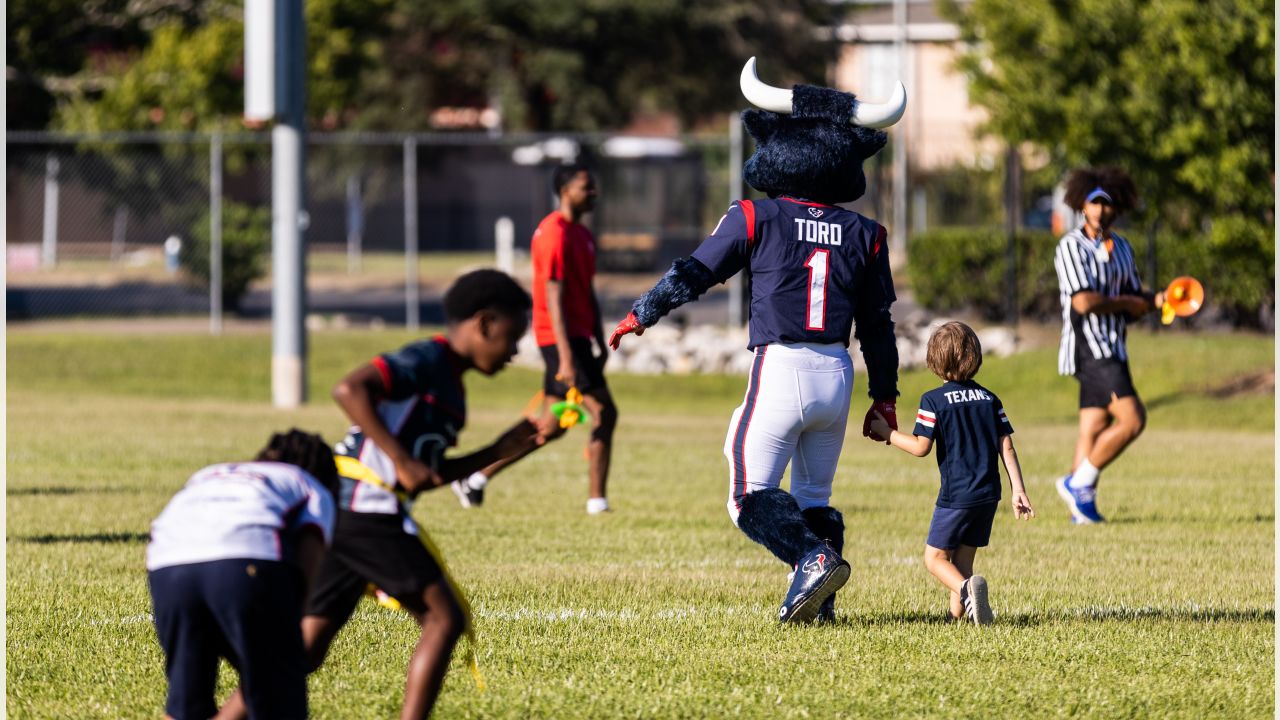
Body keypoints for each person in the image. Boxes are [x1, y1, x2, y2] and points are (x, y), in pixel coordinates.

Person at [609, 61, 906, 624]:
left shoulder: (756, 214)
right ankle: (821, 607)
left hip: (782, 366)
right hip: (837, 373)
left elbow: (696, 271)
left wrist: (641, 314)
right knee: (814, 497)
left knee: (748, 497)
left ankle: (812, 560)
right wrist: (885, 397)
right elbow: (878, 324)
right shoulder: (869, 234)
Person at [220, 270, 558, 720]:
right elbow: (349, 388)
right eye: (513, 337)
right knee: (445, 619)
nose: (515, 351)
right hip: (364, 512)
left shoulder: (452, 387)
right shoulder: (426, 360)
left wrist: (498, 451)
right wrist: (399, 458)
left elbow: (425, 477)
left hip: (346, 515)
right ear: (484, 323)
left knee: (305, 649)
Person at [146, 429, 338, 720]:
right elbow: (308, 559)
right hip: (247, 562)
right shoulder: (311, 486)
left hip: (168, 564)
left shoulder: (211, 473)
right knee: (280, 698)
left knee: (186, 700)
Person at [869, 322, 1034, 625]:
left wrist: (888, 433)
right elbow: (1006, 447)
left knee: (935, 559)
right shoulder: (989, 399)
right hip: (988, 494)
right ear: (976, 357)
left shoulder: (934, 400)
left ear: (934, 361)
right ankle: (954, 619)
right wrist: (1019, 490)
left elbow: (921, 447)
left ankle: (965, 592)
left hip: (957, 495)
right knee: (962, 561)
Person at [486, 161, 619, 516]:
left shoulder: (583, 234)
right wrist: (565, 356)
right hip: (558, 338)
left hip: (577, 338)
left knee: (552, 425)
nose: (593, 194)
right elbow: (552, 297)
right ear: (565, 192)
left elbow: (585, 291)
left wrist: (598, 336)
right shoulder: (553, 233)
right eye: (586, 187)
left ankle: (476, 477)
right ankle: (597, 501)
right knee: (604, 412)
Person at [1052, 167, 1163, 524]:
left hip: (1114, 346)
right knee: (1133, 420)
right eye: (1094, 203)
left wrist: (1157, 301)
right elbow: (1083, 302)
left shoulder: (1123, 248)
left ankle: (1079, 511)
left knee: (1094, 426)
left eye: (1107, 204)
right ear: (1081, 204)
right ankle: (1077, 482)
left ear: (1118, 208)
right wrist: (1128, 304)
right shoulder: (1071, 246)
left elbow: (1132, 299)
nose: (1100, 210)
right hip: (1090, 349)